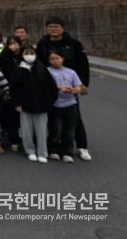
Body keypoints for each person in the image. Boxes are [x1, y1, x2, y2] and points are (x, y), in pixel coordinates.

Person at [36, 16, 92, 161]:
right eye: (50, 26)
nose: (53, 29)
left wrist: (83, 85)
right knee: (53, 119)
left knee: (75, 118)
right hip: (50, 88)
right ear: (46, 28)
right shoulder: (42, 43)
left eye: (56, 26)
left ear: (63, 28)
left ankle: (82, 146)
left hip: (70, 88)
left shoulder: (74, 44)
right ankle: (54, 147)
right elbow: (38, 64)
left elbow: (83, 65)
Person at [11, 47, 58, 163]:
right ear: (22, 55)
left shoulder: (42, 68)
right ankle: (30, 151)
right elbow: (14, 88)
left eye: (31, 53)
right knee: (26, 130)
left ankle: (42, 152)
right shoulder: (18, 69)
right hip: (24, 105)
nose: (29, 55)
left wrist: (49, 102)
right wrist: (17, 103)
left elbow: (52, 87)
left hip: (42, 106)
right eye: (26, 53)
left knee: (42, 131)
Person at [46, 51, 85, 163]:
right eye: (52, 59)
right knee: (55, 129)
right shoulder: (47, 71)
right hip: (55, 104)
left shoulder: (71, 72)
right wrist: (59, 88)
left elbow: (79, 86)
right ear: (49, 60)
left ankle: (67, 152)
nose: (55, 61)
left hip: (70, 104)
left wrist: (75, 89)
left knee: (69, 131)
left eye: (57, 58)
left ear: (62, 59)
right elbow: (44, 86)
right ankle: (53, 150)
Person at [0, 35, 23, 151]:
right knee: (12, 116)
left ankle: (25, 139)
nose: (13, 46)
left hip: (23, 88)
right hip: (9, 88)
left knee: (23, 115)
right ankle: (13, 140)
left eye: (15, 43)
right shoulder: (5, 55)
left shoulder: (24, 54)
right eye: (10, 43)